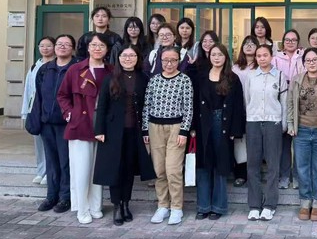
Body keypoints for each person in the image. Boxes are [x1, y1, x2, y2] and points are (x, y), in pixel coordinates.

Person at [93, 45, 156, 226]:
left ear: (137, 58)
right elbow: (102, 106)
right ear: (119, 58)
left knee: (129, 170)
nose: (128, 59)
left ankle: (126, 203)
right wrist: (99, 130)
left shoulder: (143, 78)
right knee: (115, 169)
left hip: (134, 131)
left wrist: (145, 132)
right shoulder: (110, 78)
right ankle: (117, 206)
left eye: (132, 55)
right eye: (124, 56)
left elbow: (147, 106)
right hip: (113, 132)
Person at [57, 33, 113, 224]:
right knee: (81, 171)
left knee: (98, 169)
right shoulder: (75, 69)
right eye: (94, 45)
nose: (97, 49)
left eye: (101, 46)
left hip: (103, 126)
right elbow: (62, 95)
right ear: (88, 48)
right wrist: (69, 113)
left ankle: (96, 206)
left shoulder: (111, 70)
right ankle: (82, 209)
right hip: (80, 125)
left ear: (107, 49)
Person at [190, 44, 245, 221]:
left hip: (223, 123)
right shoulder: (201, 77)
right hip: (203, 124)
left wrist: (235, 130)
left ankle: (219, 207)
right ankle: (203, 206)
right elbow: (194, 103)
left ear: (225, 57)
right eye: (213, 54)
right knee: (203, 165)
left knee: (220, 166)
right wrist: (192, 127)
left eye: (220, 54)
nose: (216, 58)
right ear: (209, 56)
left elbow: (238, 106)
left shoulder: (233, 78)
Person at [143, 46, 194, 225]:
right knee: (159, 170)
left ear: (178, 61)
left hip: (176, 128)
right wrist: (145, 130)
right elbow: (147, 106)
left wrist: (184, 131)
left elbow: (188, 108)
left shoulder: (184, 80)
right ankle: (163, 205)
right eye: (165, 60)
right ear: (160, 61)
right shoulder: (154, 80)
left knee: (173, 170)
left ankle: (177, 207)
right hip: (155, 127)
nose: (169, 64)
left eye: (173, 60)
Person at [28, 34, 76, 214]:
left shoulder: (76, 68)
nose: (62, 46)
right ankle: (51, 196)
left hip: (66, 123)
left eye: (67, 44)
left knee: (65, 161)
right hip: (47, 123)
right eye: (59, 44)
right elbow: (38, 96)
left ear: (72, 48)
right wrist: (37, 119)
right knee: (51, 162)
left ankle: (65, 197)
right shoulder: (45, 69)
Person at [287, 47, 317, 221]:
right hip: (302, 130)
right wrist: (290, 124)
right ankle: (305, 202)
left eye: (315, 60)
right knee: (302, 167)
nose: (311, 63)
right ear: (304, 63)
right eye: (308, 60)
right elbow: (290, 103)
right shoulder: (296, 80)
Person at [244, 44, 287, 222]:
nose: (262, 58)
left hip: (273, 122)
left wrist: (283, 124)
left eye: (265, 55)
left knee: (272, 165)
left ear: (271, 56)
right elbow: (247, 99)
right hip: (253, 122)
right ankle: (254, 205)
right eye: (259, 56)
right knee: (253, 165)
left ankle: (270, 205)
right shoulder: (250, 76)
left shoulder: (280, 75)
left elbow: (284, 101)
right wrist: (249, 117)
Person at [22, 36, 55, 186]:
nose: (45, 48)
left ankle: (50, 172)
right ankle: (41, 171)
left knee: (51, 143)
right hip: (35, 110)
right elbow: (28, 91)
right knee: (39, 143)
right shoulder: (34, 67)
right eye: (42, 46)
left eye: (48, 46)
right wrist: (26, 111)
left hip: (50, 110)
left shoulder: (56, 65)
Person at [273, 29, 304, 190]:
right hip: (282, 102)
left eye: (293, 40)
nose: (290, 42)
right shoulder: (275, 58)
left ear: (298, 42)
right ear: (283, 42)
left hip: (301, 103)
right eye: (287, 40)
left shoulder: (303, 57)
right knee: (284, 143)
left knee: (298, 143)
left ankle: (298, 177)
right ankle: (284, 176)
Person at [231, 35, 259, 187]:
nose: (249, 46)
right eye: (246, 43)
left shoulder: (261, 66)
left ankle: (254, 174)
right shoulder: (235, 67)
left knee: (254, 142)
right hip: (238, 108)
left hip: (256, 109)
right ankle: (240, 174)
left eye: (252, 43)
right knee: (239, 142)